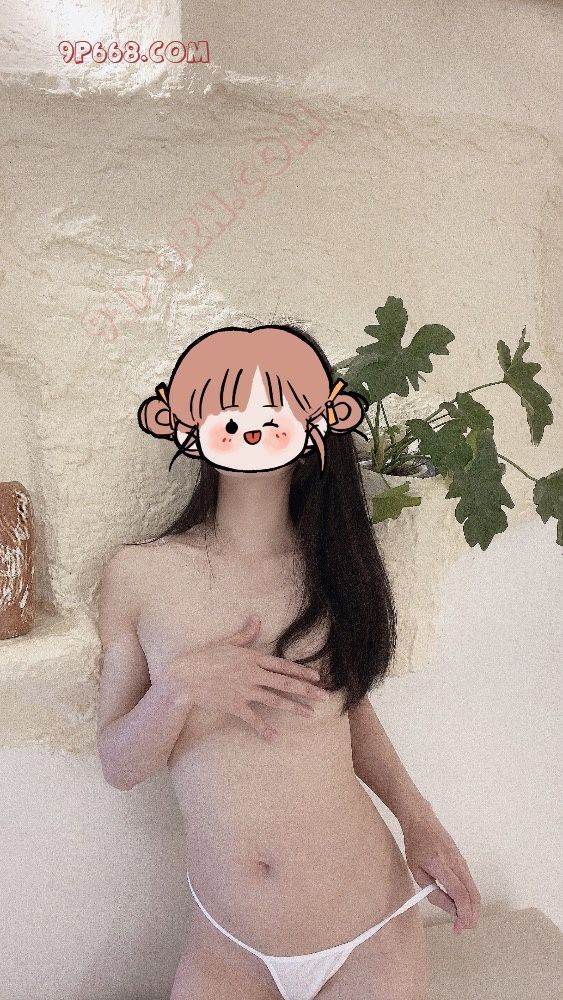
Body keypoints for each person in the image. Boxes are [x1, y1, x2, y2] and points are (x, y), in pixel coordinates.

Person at [96, 324, 480, 1000]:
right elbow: (119, 765)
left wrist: (420, 821)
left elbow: (345, 711)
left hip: (370, 928)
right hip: (229, 945)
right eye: (228, 412)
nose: (250, 430)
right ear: (185, 424)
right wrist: (178, 688)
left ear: (317, 426)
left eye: (273, 413)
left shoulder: (334, 567)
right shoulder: (139, 575)